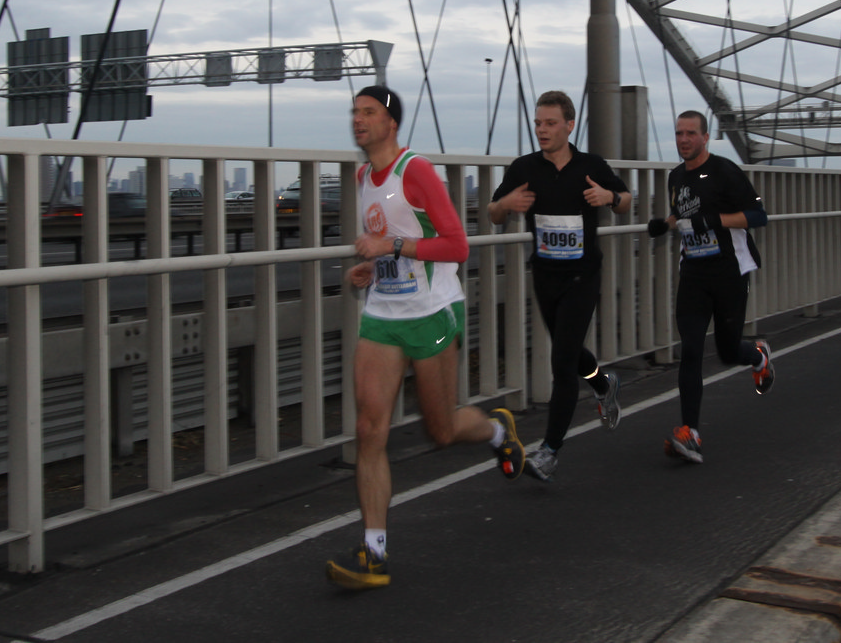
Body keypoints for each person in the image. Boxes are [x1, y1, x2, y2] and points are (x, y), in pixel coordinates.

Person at [327, 86, 525, 590]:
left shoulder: (414, 170)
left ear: (391, 123)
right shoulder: (362, 177)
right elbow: (386, 247)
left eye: (369, 112)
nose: (358, 120)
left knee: (441, 430)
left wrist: (390, 245)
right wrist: (370, 268)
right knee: (369, 429)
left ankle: (497, 431)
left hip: (432, 312)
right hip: (383, 314)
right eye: (355, 112)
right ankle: (374, 552)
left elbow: (456, 245)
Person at [488, 90, 631, 482]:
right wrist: (505, 205)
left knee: (562, 361)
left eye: (550, 123)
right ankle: (603, 384)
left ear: (569, 126)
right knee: (570, 350)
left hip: (583, 275)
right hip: (545, 275)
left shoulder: (591, 165)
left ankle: (549, 451)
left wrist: (609, 196)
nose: (542, 130)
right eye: (538, 123)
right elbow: (494, 212)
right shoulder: (524, 167)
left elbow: (626, 201)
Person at [646, 111, 773, 464]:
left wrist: (715, 220)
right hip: (694, 273)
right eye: (679, 133)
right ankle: (690, 432)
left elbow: (758, 216)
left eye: (691, 133)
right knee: (690, 349)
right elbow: (684, 216)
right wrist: (665, 224)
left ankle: (758, 356)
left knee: (728, 351)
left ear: (705, 137)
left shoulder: (725, 171)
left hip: (730, 271)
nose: (684, 139)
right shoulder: (675, 176)